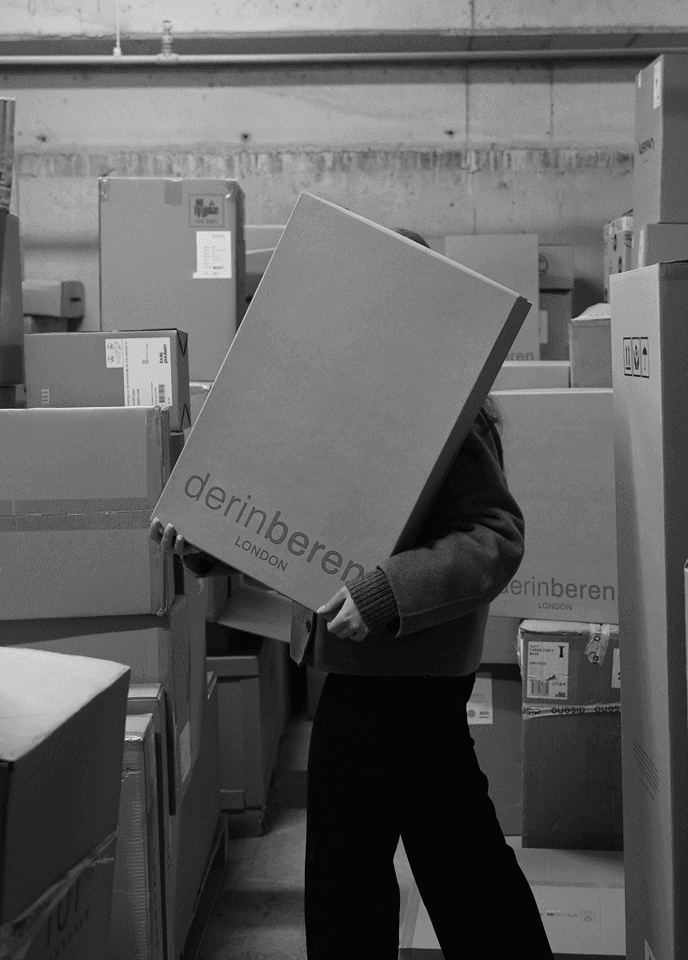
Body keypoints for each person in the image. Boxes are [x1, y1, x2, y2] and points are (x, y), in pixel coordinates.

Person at [150, 228, 553, 959]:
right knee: (388, 865)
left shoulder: (447, 414)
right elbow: (297, 516)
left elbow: (494, 537)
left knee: (433, 866)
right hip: (361, 676)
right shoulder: (347, 402)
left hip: (412, 679)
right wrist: (208, 544)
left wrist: (384, 593)